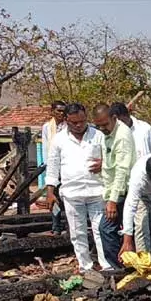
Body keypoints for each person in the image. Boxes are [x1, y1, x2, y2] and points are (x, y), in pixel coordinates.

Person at [45, 103, 106, 272]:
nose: (79, 125)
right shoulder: (59, 139)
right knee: (77, 232)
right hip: (72, 193)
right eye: (74, 123)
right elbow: (52, 166)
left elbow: (110, 156)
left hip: (97, 191)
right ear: (66, 120)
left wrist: (104, 164)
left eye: (82, 121)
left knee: (100, 230)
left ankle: (107, 265)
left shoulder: (98, 135)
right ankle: (85, 266)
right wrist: (50, 192)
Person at [110, 102, 151, 255]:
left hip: (145, 182)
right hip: (122, 183)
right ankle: (134, 255)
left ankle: (150, 255)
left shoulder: (144, 129)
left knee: (146, 222)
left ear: (126, 116)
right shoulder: (113, 131)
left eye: (121, 121)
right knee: (128, 220)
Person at [92, 104, 136, 269]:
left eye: (105, 124)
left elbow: (122, 171)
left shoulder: (122, 135)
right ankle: (122, 266)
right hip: (111, 190)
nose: (102, 128)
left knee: (106, 229)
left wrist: (112, 200)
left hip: (122, 191)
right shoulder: (109, 133)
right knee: (115, 230)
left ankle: (118, 268)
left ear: (114, 118)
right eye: (99, 126)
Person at [41, 100, 67, 236]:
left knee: (67, 196)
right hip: (53, 167)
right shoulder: (47, 127)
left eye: (63, 111)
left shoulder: (68, 126)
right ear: (52, 112)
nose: (61, 114)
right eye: (59, 111)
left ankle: (68, 224)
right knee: (54, 197)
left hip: (66, 167)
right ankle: (56, 225)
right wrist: (49, 166)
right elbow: (46, 147)